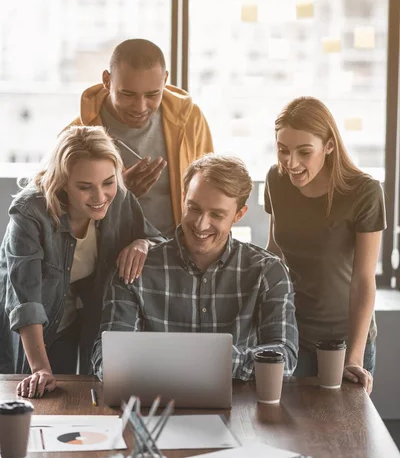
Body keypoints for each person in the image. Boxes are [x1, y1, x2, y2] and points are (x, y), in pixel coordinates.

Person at [92, 154, 298, 379]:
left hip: (241, 409)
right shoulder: (135, 268)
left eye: (217, 215)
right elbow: (107, 359)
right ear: (183, 199)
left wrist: (202, 358)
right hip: (154, 408)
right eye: (194, 208)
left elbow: (284, 359)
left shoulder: (268, 272)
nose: (201, 224)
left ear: (239, 215)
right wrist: (209, 360)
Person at [0, 126, 164, 398]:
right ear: (62, 181)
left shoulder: (120, 199)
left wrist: (142, 243)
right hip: (34, 326)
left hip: (84, 317)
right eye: (85, 187)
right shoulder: (30, 213)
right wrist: (40, 368)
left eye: (108, 183)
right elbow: (25, 301)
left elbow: (158, 240)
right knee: (41, 393)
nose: (100, 197)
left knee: (78, 396)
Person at [264, 97, 386, 394]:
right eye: (283, 150)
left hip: (345, 341)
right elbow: (274, 254)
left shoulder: (365, 192)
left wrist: (354, 357)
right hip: (293, 333)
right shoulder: (276, 180)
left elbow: (363, 281)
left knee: (344, 435)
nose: (291, 163)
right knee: (289, 431)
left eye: (305, 152)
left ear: (328, 145)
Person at [69, 38, 214, 237]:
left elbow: (212, 189)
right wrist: (121, 193)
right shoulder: (76, 134)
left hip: (178, 255)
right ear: (107, 81)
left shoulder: (190, 120)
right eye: (127, 94)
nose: (140, 107)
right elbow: (63, 214)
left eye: (153, 95)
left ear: (165, 80)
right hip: (106, 258)